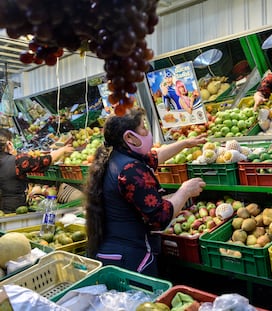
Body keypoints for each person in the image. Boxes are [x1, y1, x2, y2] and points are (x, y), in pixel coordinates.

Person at [84, 107, 207, 276]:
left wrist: (185, 144)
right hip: (130, 258)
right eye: (143, 127)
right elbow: (160, 217)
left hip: (112, 250)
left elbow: (155, 157)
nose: (147, 132)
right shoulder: (130, 170)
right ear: (129, 137)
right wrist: (185, 191)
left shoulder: (116, 156)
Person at [0, 128, 74, 213]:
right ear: (9, 144)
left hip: (3, 210)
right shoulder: (18, 160)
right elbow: (45, 161)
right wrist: (63, 150)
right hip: (15, 209)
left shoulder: (13, 160)